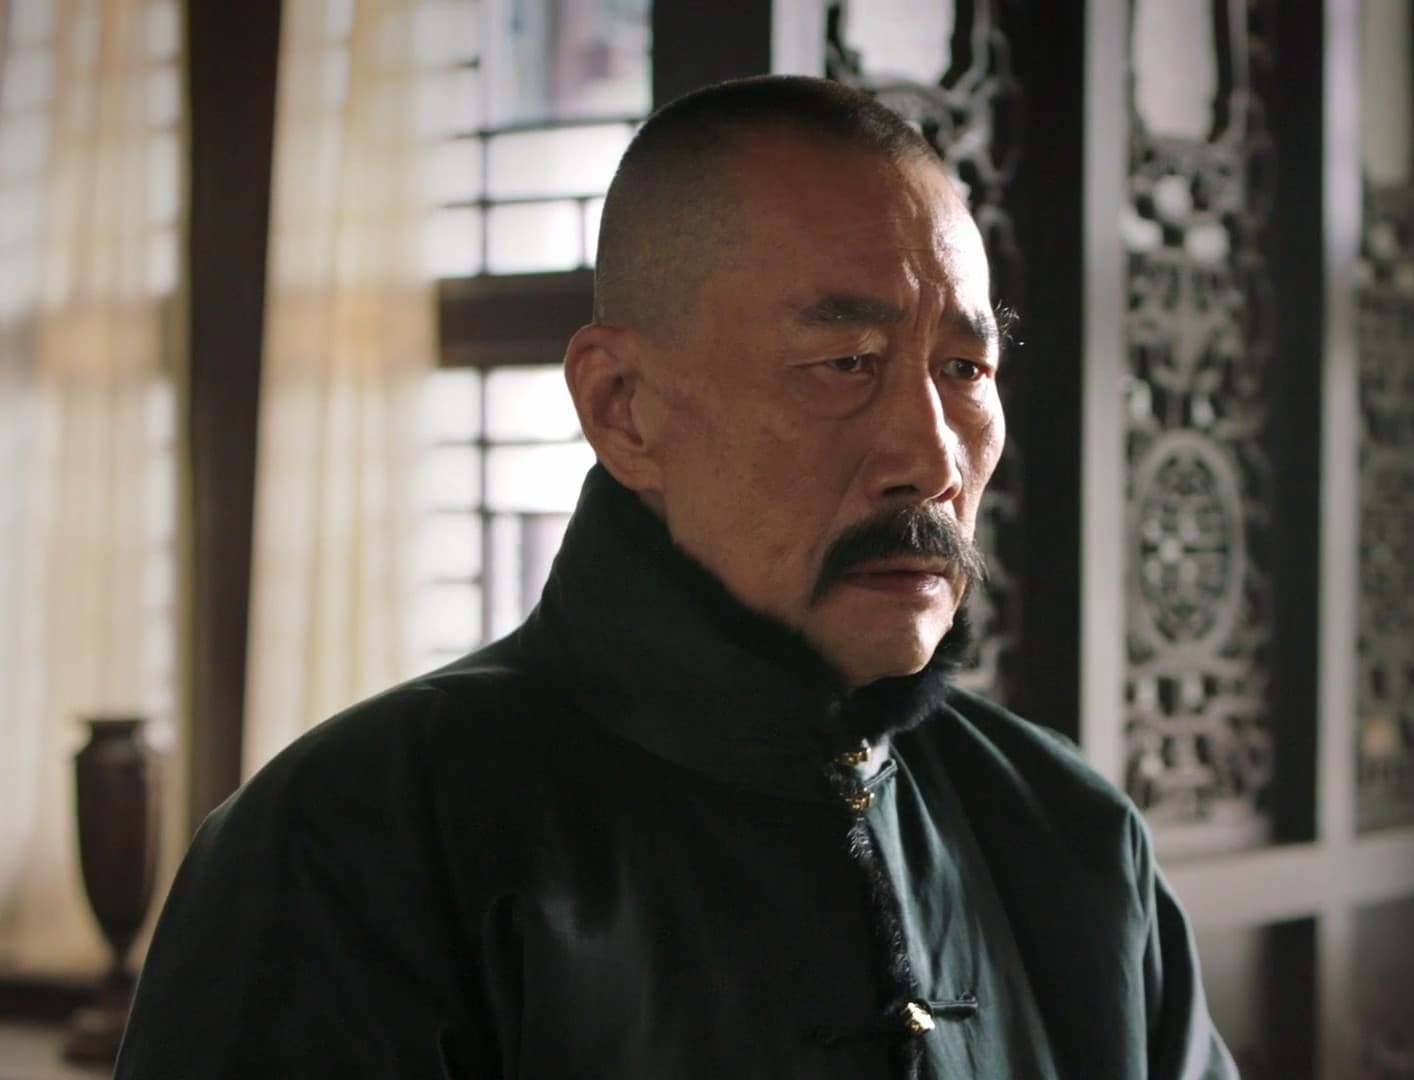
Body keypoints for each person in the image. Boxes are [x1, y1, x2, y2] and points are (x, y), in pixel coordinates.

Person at [115, 75, 1236, 1079]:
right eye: (845, 362)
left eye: (964, 368)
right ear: (624, 408)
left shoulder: (1067, 836)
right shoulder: (361, 841)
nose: (931, 457)